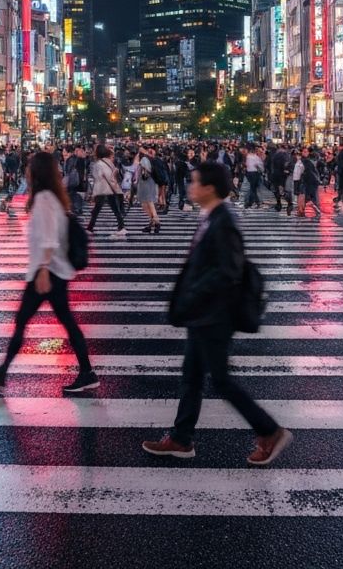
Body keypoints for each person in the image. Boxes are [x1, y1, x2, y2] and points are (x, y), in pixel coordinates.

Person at [142, 161, 292, 466]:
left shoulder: (224, 220)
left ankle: (269, 430)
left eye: (194, 181)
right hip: (204, 314)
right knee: (192, 376)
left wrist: (193, 295)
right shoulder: (211, 215)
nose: (189, 186)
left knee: (220, 380)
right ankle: (181, 439)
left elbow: (228, 271)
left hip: (215, 315)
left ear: (209, 188)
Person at [0, 150, 98, 396]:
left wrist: (42, 269)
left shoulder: (43, 199)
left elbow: (49, 238)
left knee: (28, 322)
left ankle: (2, 374)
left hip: (47, 273)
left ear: (37, 172)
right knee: (62, 322)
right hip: (53, 271)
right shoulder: (52, 197)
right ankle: (86, 372)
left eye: (30, 167)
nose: (26, 171)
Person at [86, 144, 127, 235]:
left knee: (97, 210)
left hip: (103, 190)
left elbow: (106, 177)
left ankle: (90, 228)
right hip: (108, 190)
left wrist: (116, 189)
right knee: (114, 209)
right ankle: (121, 227)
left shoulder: (100, 164)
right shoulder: (107, 162)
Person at [137, 146, 161, 234]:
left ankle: (157, 222)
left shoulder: (144, 158)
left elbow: (146, 169)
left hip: (146, 183)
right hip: (150, 182)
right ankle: (152, 223)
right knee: (148, 203)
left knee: (147, 204)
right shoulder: (152, 158)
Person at [243, 144, 264, 210]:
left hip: (249, 173)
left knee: (253, 188)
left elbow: (246, 165)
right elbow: (260, 166)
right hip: (255, 173)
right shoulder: (255, 157)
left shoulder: (248, 157)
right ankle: (253, 202)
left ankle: (251, 202)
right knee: (253, 188)